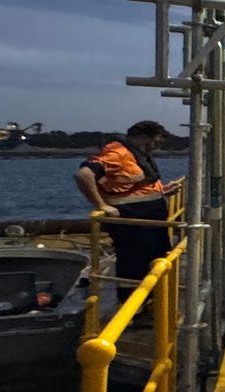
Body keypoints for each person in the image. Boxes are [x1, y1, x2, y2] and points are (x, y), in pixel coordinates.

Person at [76, 120, 180, 283]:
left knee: (156, 258)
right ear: (144, 137)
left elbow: (131, 186)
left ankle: (153, 298)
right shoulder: (118, 154)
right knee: (133, 262)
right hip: (131, 221)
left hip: (149, 220)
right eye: (155, 142)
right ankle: (131, 299)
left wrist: (163, 191)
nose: (156, 147)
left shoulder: (136, 155)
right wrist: (101, 205)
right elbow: (84, 175)